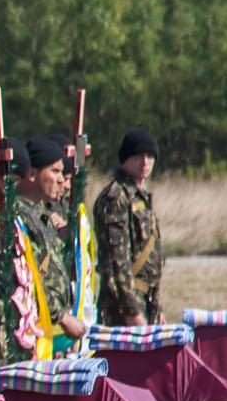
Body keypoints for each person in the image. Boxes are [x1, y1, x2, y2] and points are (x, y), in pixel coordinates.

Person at [17, 136, 87, 346]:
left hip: (54, 329)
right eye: (54, 171)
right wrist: (63, 318)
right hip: (37, 329)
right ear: (31, 174)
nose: (61, 180)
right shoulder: (20, 216)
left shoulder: (42, 217)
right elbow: (32, 276)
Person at [95, 127, 163, 326]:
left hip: (145, 300)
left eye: (150, 156)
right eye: (138, 156)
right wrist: (131, 310)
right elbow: (116, 260)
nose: (145, 162)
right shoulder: (115, 198)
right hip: (123, 307)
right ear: (125, 159)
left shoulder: (142, 196)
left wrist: (156, 307)